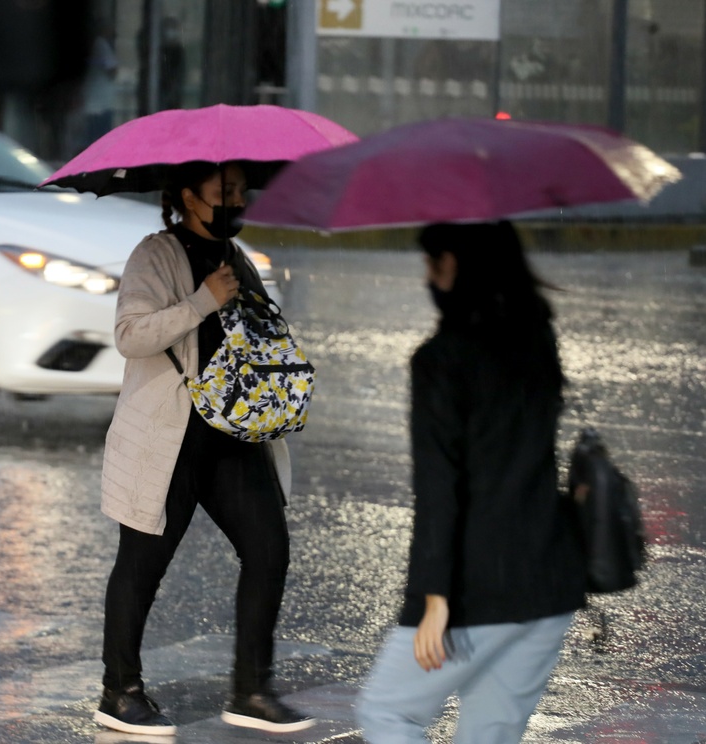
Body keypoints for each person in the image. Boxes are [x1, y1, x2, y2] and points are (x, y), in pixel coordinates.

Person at [94, 160, 314, 736]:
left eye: (241, 191)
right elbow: (129, 335)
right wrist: (201, 300)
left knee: (269, 549)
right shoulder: (156, 253)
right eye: (225, 191)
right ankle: (119, 691)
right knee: (142, 565)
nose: (237, 200)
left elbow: (258, 335)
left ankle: (251, 690)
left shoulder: (237, 257)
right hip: (171, 436)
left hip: (234, 434)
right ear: (189, 196)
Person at [356, 221, 587, 742]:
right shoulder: (536, 337)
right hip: (549, 578)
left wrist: (434, 598)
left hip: (475, 588)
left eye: (432, 263)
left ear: (455, 266)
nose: (428, 277)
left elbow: (439, 490)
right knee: (490, 733)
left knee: (387, 713)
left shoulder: (441, 361)